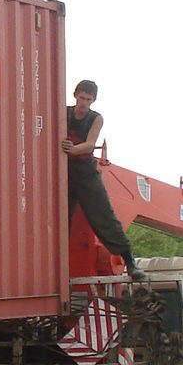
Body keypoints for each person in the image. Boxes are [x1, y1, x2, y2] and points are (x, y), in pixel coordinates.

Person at [64, 79, 146, 283]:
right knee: (59, 221)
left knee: (104, 216)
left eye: (88, 100)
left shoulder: (95, 118)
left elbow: (89, 145)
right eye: (81, 98)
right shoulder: (63, 113)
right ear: (75, 95)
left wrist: (72, 149)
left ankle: (130, 262)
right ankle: (54, 266)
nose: (84, 103)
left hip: (85, 172)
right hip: (63, 171)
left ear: (94, 100)